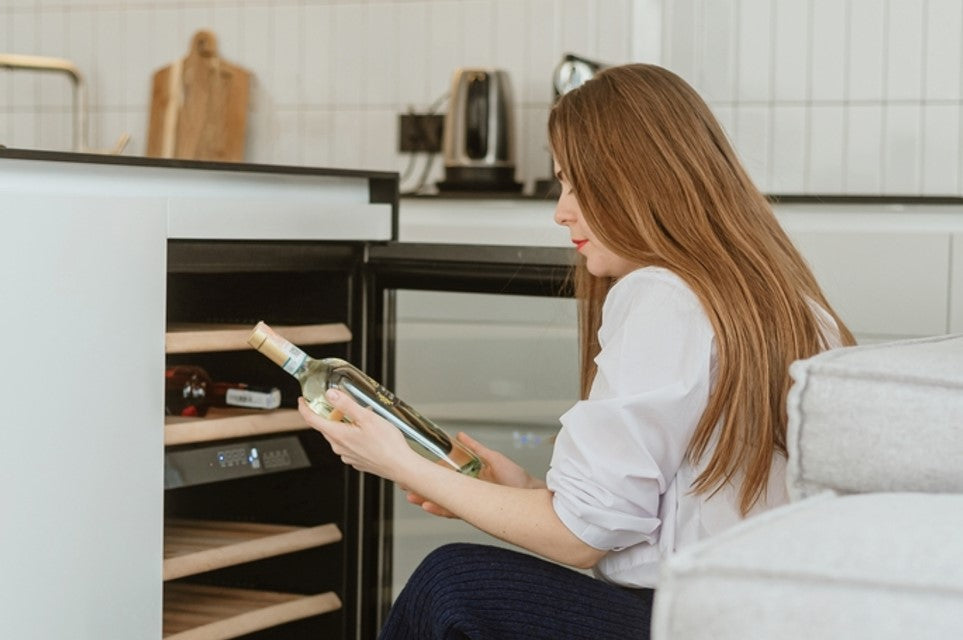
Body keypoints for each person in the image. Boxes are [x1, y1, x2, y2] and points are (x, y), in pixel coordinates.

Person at [297, 63, 855, 639]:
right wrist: (521, 493)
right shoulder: (788, 302)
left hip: (698, 622)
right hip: (765, 619)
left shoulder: (664, 294)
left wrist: (398, 462)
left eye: (575, 184)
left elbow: (580, 540)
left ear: (637, 182)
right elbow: (653, 522)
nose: (561, 211)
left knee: (451, 582)